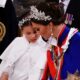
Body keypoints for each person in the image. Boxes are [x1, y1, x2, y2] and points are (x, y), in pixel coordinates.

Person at [28, 2, 80, 80]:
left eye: (38, 29)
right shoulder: (54, 44)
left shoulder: (76, 41)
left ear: (50, 25)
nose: (37, 34)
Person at [0, 11, 48, 80]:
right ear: (22, 31)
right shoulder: (18, 42)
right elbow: (9, 63)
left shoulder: (43, 45)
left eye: (35, 32)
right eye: (28, 33)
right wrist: (5, 73)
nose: (33, 36)